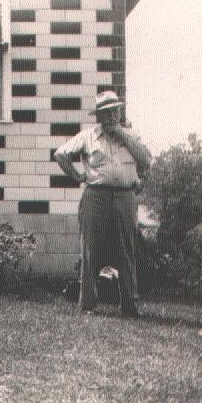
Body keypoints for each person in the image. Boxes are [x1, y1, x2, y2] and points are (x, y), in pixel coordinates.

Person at [54, 90, 152, 317]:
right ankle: (88, 304)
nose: (111, 117)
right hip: (95, 195)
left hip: (125, 196)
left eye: (114, 111)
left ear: (120, 112)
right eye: (106, 113)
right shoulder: (88, 137)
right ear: (98, 116)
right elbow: (60, 154)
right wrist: (77, 176)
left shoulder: (131, 136)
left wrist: (124, 137)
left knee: (126, 248)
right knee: (90, 248)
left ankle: (129, 304)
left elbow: (146, 160)